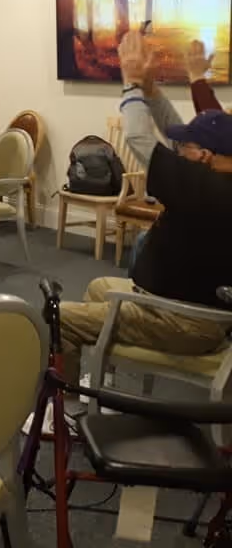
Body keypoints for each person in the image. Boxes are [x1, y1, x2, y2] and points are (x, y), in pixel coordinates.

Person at [59, 31, 232, 391]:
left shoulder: (208, 190)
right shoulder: (212, 175)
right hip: (183, 305)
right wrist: (151, 90)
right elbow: (179, 132)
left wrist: (132, 81)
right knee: (97, 286)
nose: (177, 148)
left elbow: (140, 137)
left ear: (203, 156)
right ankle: (96, 390)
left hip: (183, 321)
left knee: (56, 317)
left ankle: (64, 411)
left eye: (185, 146)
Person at [187, 39, 224, 113]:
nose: (199, 57)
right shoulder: (199, 86)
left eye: (201, 53)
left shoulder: (198, 86)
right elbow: (215, 118)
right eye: (195, 53)